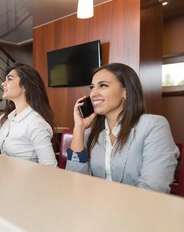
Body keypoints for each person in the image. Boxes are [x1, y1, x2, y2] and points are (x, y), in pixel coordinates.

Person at [66, 63, 179, 193]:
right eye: (92, 87)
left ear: (125, 92)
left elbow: (152, 191)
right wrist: (78, 129)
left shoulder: (154, 126)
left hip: (137, 211)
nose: (93, 93)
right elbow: (75, 183)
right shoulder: (90, 134)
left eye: (103, 85)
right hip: (95, 209)